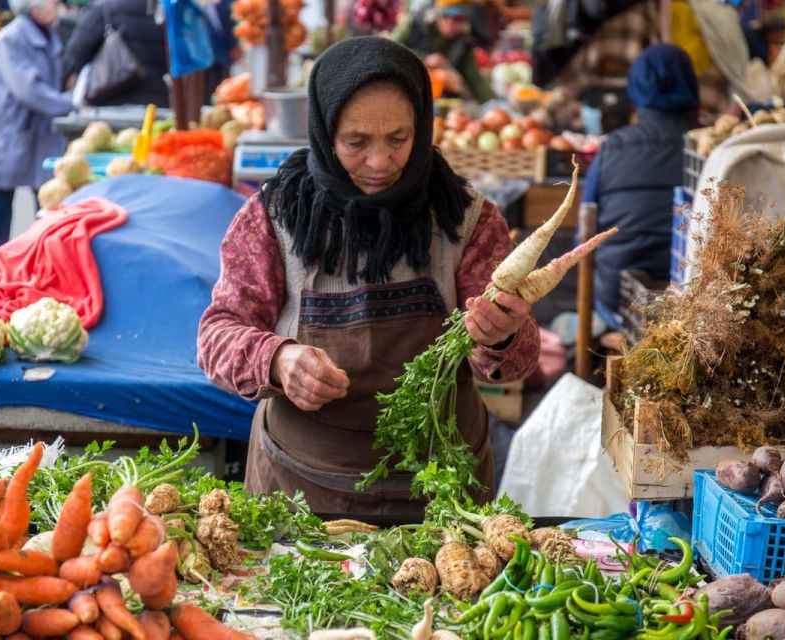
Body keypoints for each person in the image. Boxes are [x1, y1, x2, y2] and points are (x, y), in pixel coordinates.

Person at [197, 37, 540, 515]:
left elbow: (516, 363)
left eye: (399, 139)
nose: (380, 163)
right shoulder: (274, 218)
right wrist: (277, 359)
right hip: (301, 491)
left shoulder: (466, 220)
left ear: (421, 129)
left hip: (440, 496)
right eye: (356, 142)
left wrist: (500, 338)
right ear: (323, 131)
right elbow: (216, 334)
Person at [581, 44, 700, 329]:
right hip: (696, 308)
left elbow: (583, 241)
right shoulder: (710, 148)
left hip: (621, 303)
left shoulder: (611, 150)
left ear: (635, 91)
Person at [0, 0, 75, 256]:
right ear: (33, 8)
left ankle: (41, 259)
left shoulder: (48, 33)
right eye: (51, 2)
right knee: (1, 199)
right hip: (11, 132)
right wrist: (70, 103)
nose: (57, 6)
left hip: (37, 133)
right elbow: (30, 90)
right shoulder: (12, 39)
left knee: (46, 200)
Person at [62, 0, 169, 107]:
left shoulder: (104, 8)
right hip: (162, 105)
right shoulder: (169, 7)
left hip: (112, 105)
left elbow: (74, 58)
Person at [393, 0, 496, 102]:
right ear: (439, 16)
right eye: (448, 17)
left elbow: (475, 80)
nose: (453, 25)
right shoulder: (415, 25)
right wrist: (424, 59)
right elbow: (390, 50)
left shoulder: (463, 41)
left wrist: (493, 103)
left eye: (460, 20)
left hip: (440, 99)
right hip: (406, 92)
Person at [201, 0, 240, 104]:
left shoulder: (227, 4)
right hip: (213, 52)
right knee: (213, 86)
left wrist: (236, 46)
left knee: (220, 86)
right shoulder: (210, 6)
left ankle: (217, 106)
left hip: (222, 52)